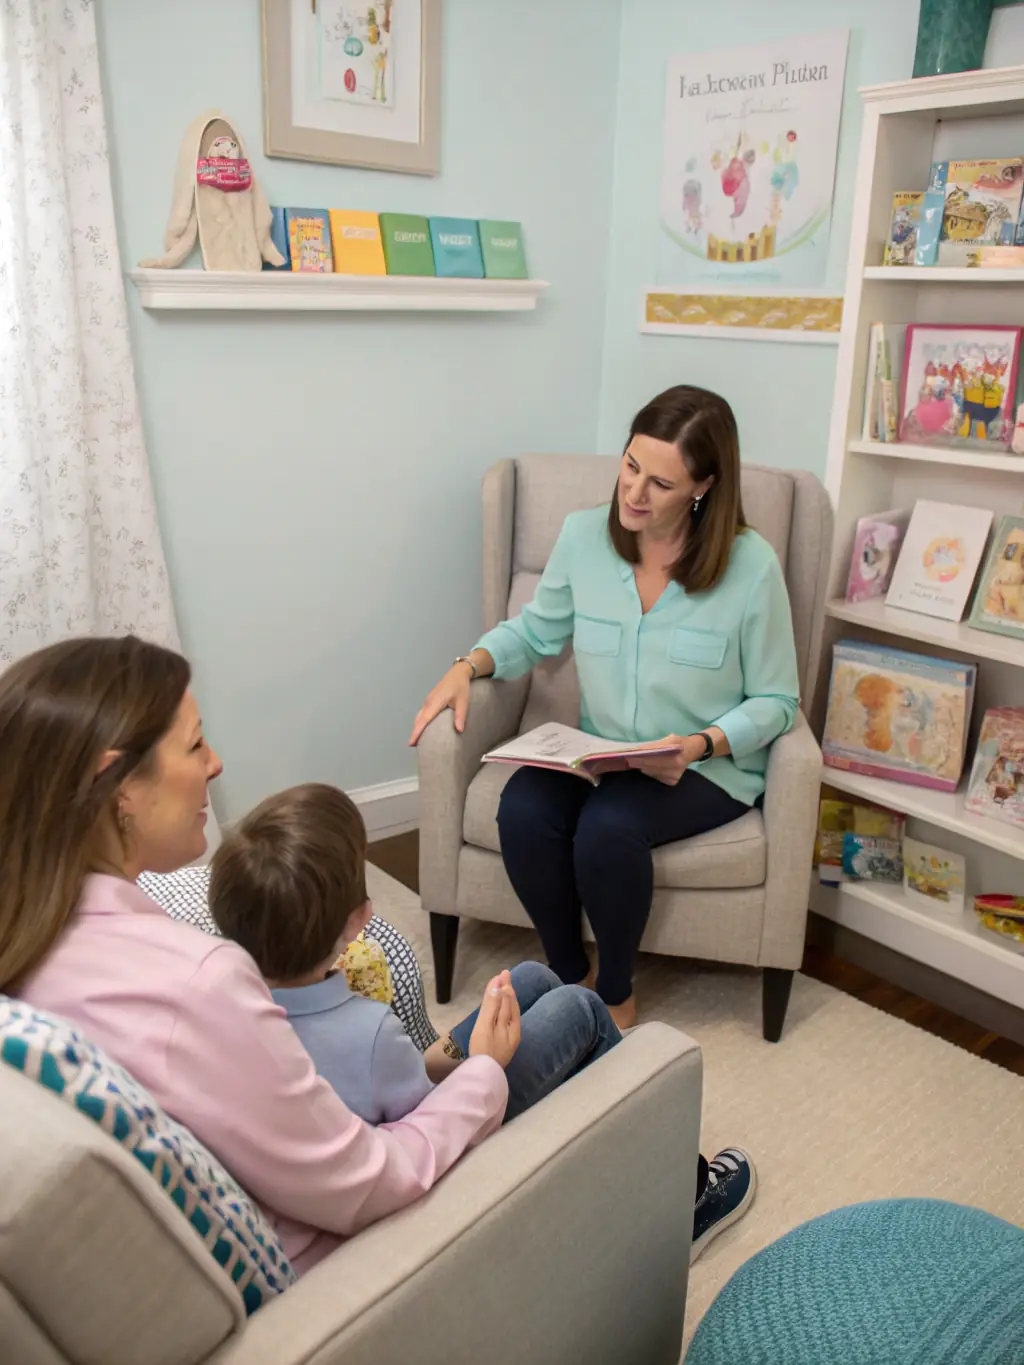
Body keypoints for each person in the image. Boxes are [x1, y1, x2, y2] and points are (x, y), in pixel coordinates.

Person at [0, 635, 754, 1276]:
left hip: (338, 1147)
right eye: (195, 743)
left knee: (528, 982)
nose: (218, 762)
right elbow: (370, 1177)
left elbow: (296, 1091)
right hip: (368, 1250)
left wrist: (441, 1063)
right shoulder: (196, 983)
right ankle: (675, 1208)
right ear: (116, 785)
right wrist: (484, 1072)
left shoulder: (42, 946)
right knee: (581, 1007)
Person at [411, 385, 800, 1032]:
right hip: (601, 751)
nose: (634, 493)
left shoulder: (751, 565)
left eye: (661, 483)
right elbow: (536, 632)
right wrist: (465, 665)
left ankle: (615, 996)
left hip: (706, 767)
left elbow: (778, 700)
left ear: (703, 486)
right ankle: (571, 978)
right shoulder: (585, 535)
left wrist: (699, 744)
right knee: (524, 809)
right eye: (630, 466)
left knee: (609, 828)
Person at [207, 782, 620, 1125]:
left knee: (533, 979)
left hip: (397, 1104)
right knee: (581, 1007)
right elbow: (433, 1123)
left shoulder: (226, 1004)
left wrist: (463, 1054)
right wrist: (483, 1063)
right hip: (454, 1141)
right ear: (359, 919)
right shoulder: (369, 1032)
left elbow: (395, 1082)